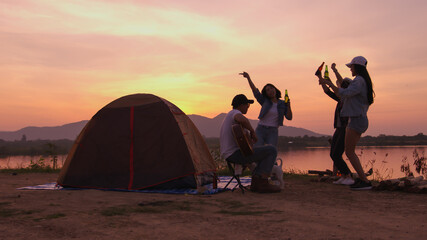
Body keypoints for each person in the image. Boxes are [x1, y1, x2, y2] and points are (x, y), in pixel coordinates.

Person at [319, 56, 375, 190]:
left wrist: (329, 83)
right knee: (349, 152)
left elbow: (344, 92)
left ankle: (364, 181)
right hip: (357, 119)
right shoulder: (361, 81)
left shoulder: (359, 81)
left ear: (357, 67)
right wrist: (334, 73)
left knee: (349, 152)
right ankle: (362, 179)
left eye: (351, 67)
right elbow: (343, 85)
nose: (350, 69)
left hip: (356, 119)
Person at [219, 94, 281, 193]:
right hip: (235, 154)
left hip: (231, 154)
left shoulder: (229, 116)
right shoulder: (235, 113)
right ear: (241, 105)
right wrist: (252, 131)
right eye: (247, 105)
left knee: (262, 151)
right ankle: (261, 182)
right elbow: (241, 119)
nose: (248, 107)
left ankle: (257, 181)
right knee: (271, 150)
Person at [318, 74, 354, 185]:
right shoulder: (340, 99)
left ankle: (348, 175)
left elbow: (333, 91)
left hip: (345, 129)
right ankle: (344, 175)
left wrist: (326, 82)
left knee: (336, 154)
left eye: (342, 85)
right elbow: (327, 91)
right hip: (339, 128)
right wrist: (320, 78)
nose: (339, 87)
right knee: (333, 154)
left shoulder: (348, 99)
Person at [241, 72, 292, 147]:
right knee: (257, 149)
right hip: (261, 129)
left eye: (271, 88)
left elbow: (289, 117)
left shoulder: (282, 103)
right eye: (268, 90)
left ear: (275, 89)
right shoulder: (265, 101)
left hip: (273, 131)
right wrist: (248, 78)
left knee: (271, 151)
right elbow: (255, 91)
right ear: (266, 94)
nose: (270, 91)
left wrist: (288, 106)